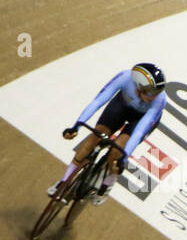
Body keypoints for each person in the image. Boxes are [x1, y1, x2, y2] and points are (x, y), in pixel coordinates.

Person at [51, 62, 168, 205]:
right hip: (121, 106)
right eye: (150, 92)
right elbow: (98, 101)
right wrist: (76, 127)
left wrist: (123, 158)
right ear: (138, 86)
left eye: (156, 92)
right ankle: (63, 182)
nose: (153, 96)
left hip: (139, 120)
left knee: (116, 152)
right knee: (95, 136)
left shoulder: (159, 100)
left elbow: (138, 132)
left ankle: (107, 185)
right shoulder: (125, 78)